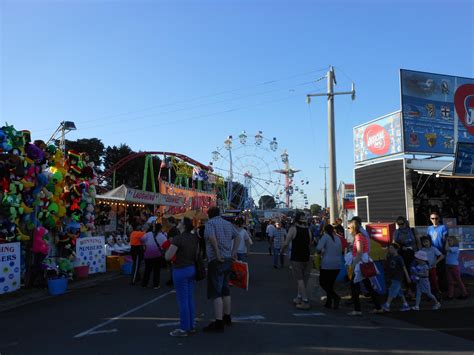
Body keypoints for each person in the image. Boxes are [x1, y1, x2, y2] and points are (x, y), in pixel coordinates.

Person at [203, 207, 240, 333]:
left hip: (216, 260)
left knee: (216, 292)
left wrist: (217, 254)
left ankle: (218, 322)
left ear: (209, 215)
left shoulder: (210, 224)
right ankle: (227, 317)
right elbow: (238, 237)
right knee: (225, 290)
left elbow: (212, 238)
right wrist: (233, 252)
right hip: (228, 259)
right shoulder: (228, 223)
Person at [165, 217, 199, 337]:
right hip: (191, 268)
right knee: (190, 298)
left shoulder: (178, 239)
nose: (178, 223)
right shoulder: (194, 238)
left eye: (180, 222)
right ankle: (191, 325)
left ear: (183, 225)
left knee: (183, 300)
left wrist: (167, 251)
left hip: (180, 269)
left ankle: (184, 328)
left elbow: (168, 256)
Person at [347, 219, 382, 316]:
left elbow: (359, 252)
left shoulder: (358, 237)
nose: (348, 229)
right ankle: (378, 307)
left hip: (359, 265)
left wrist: (353, 264)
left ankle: (357, 310)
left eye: (349, 227)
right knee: (368, 286)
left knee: (354, 287)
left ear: (353, 228)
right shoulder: (361, 236)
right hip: (364, 263)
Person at [281, 211, 312, 310]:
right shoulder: (308, 230)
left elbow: (286, 242)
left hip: (296, 257)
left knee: (299, 280)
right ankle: (299, 297)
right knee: (302, 279)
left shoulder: (293, 229)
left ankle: (305, 301)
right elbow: (310, 243)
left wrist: (282, 250)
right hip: (306, 257)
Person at [316, 224, 342, 309]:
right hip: (337, 264)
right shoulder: (337, 238)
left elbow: (318, 248)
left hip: (327, 264)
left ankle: (335, 297)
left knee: (323, 282)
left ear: (325, 230)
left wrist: (319, 253)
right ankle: (329, 302)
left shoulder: (325, 237)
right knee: (330, 284)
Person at [381, 243, 411, 312]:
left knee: (392, 290)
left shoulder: (399, 258)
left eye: (391, 248)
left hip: (398, 277)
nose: (390, 249)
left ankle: (387, 305)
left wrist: (407, 277)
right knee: (399, 291)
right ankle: (405, 304)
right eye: (389, 248)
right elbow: (384, 259)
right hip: (392, 276)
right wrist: (386, 253)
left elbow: (404, 268)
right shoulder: (390, 257)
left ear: (396, 249)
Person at [427, 212, 449, 292]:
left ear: (439, 218)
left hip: (441, 252)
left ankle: (443, 290)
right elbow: (428, 240)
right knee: (432, 272)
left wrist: (444, 251)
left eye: (436, 218)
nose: (434, 220)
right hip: (432, 253)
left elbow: (445, 239)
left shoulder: (443, 227)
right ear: (430, 219)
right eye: (432, 218)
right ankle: (434, 290)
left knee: (441, 272)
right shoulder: (429, 228)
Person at [140, 223, 166, 289]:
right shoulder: (162, 236)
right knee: (156, 270)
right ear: (160, 229)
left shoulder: (148, 234)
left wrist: (145, 244)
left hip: (148, 254)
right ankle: (156, 285)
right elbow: (165, 245)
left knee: (147, 269)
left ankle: (144, 284)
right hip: (157, 255)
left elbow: (141, 239)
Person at [445, 236, 468, 300]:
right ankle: (450, 295)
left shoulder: (455, 248)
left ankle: (464, 294)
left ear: (454, 241)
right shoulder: (450, 248)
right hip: (448, 266)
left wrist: (446, 241)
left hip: (454, 267)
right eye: (448, 241)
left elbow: (446, 248)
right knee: (450, 281)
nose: (449, 242)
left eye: (450, 240)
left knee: (458, 281)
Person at [166, 217, 180, 287]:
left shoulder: (172, 230)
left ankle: (173, 279)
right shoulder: (177, 230)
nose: (167, 223)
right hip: (177, 249)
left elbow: (171, 241)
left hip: (173, 249)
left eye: (168, 222)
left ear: (171, 222)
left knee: (173, 265)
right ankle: (174, 278)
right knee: (174, 265)